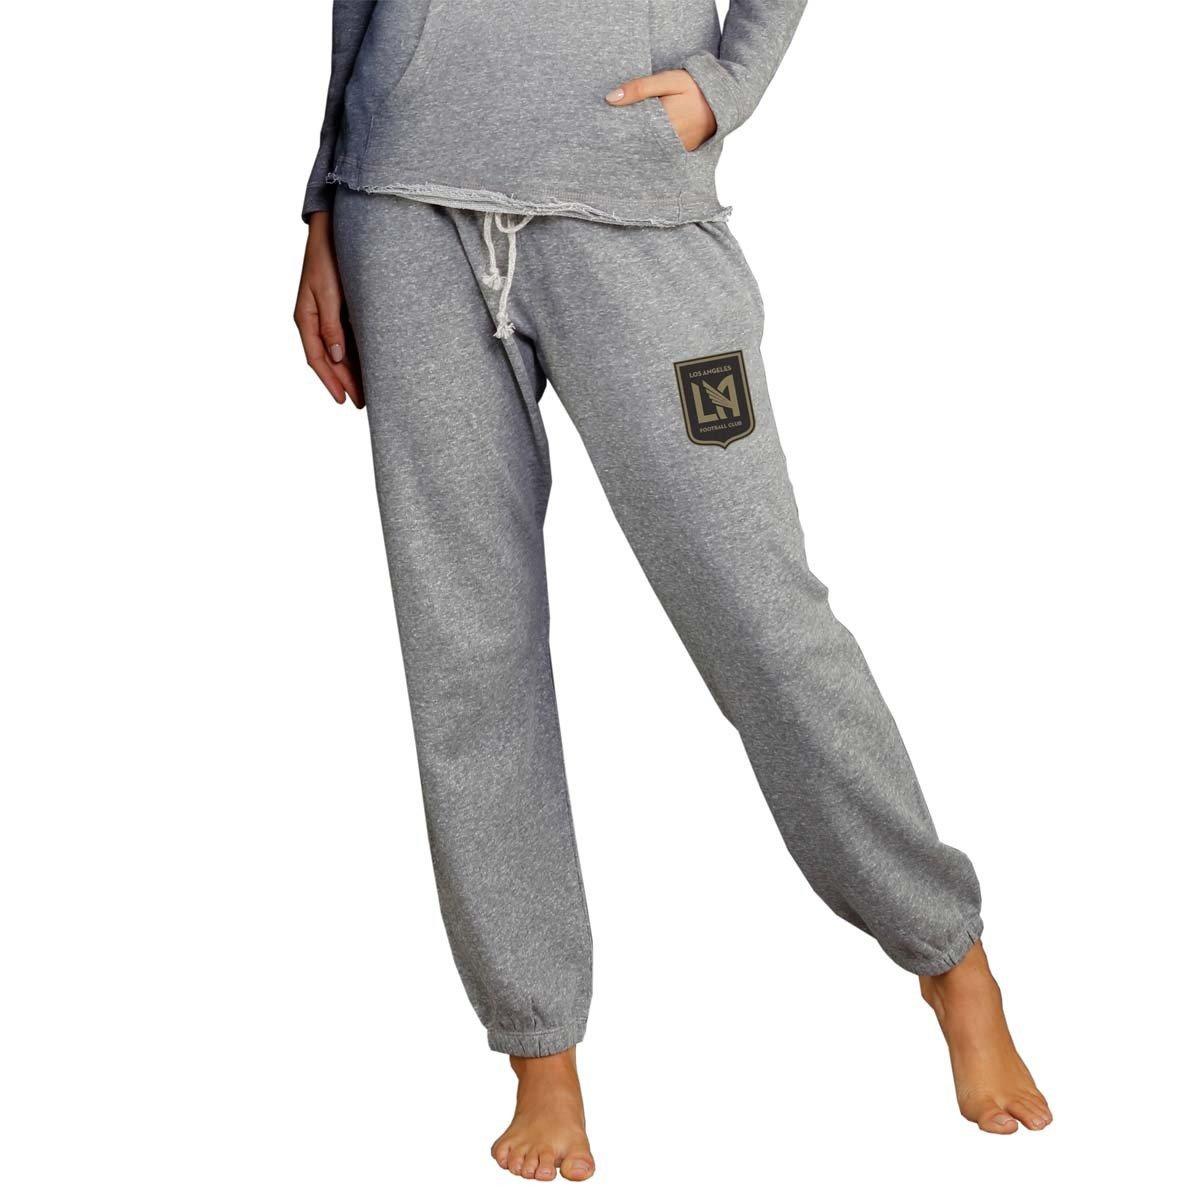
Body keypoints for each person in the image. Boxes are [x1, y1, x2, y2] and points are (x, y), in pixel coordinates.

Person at [294, 1, 1051, 1181]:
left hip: (633, 198)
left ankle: (950, 958)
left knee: (763, 620)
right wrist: (324, 201)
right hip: (402, 206)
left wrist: (730, 82)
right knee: (468, 654)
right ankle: (540, 1047)